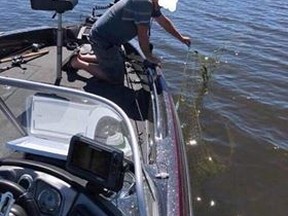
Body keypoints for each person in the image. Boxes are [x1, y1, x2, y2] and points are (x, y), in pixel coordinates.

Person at [65, 0, 191, 84]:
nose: (162, 7)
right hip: (103, 40)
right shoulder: (144, 4)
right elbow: (143, 36)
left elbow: (164, 21)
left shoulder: (152, 3)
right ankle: (77, 63)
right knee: (116, 79)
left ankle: (82, 56)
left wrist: (181, 38)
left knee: (119, 61)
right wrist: (149, 57)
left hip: (109, 40)